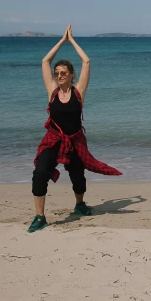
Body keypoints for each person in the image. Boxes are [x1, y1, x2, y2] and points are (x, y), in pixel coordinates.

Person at [29, 25, 121, 233]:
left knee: (78, 176)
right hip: (53, 140)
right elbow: (45, 61)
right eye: (57, 73)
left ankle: (79, 204)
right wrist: (62, 41)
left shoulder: (78, 92)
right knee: (39, 173)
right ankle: (40, 216)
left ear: (71, 75)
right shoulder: (52, 92)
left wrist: (72, 41)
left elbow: (86, 61)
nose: (59, 75)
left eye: (63, 73)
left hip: (76, 141)